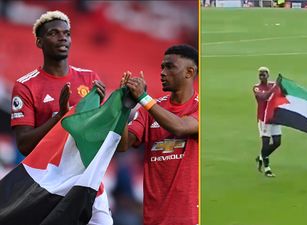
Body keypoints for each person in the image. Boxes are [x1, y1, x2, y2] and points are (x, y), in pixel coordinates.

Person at [10, 10, 112, 225]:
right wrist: (60, 118)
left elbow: (98, 135)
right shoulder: (26, 86)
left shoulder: (89, 79)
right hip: (48, 182)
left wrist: (108, 111)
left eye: (66, 33)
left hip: (86, 176)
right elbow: (24, 144)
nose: (62, 37)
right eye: (54, 33)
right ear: (39, 42)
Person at [122, 44, 198, 225]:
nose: (162, 72)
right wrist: (124, 107)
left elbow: (179, 127)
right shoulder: (150, 110)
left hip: (190, 218)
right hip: (154, 218)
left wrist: (144, 98)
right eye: (162, 67)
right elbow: (123, 145)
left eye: (170, 67)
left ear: (189, 72)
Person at [253, 67, 281, 177]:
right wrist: (275, 87)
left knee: (277, 142)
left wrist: (282, 85)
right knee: (265, 143)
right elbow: (264, 97)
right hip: (263, 119)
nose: (261, 76)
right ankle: (267, 168)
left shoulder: (272, 85)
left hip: (274, 118)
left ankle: (261, 156)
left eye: (264, 74)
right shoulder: (256, 87)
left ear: (268, 75)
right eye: (260, 74)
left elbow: (284, 94)